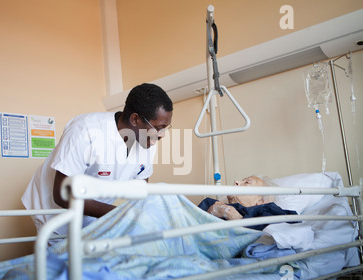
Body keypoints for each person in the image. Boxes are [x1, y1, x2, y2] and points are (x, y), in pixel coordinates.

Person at [22, 83, 173, 240]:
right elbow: (62, 194)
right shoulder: (85, 130)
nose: (162, 134)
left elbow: (139, 190)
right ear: (135, 119)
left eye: (165, 128)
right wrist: (120, 214)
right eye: (158, 127)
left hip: (94, 214)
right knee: (62, 258)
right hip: (55, 214)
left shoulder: (147, 141)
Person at [198, 175, 298, 230]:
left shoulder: (266, 209)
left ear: (261, 200)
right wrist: (209, 214)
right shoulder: (211, 203)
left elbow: (291, 226)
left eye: (247, 182)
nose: (236, 181)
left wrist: (236, 218)